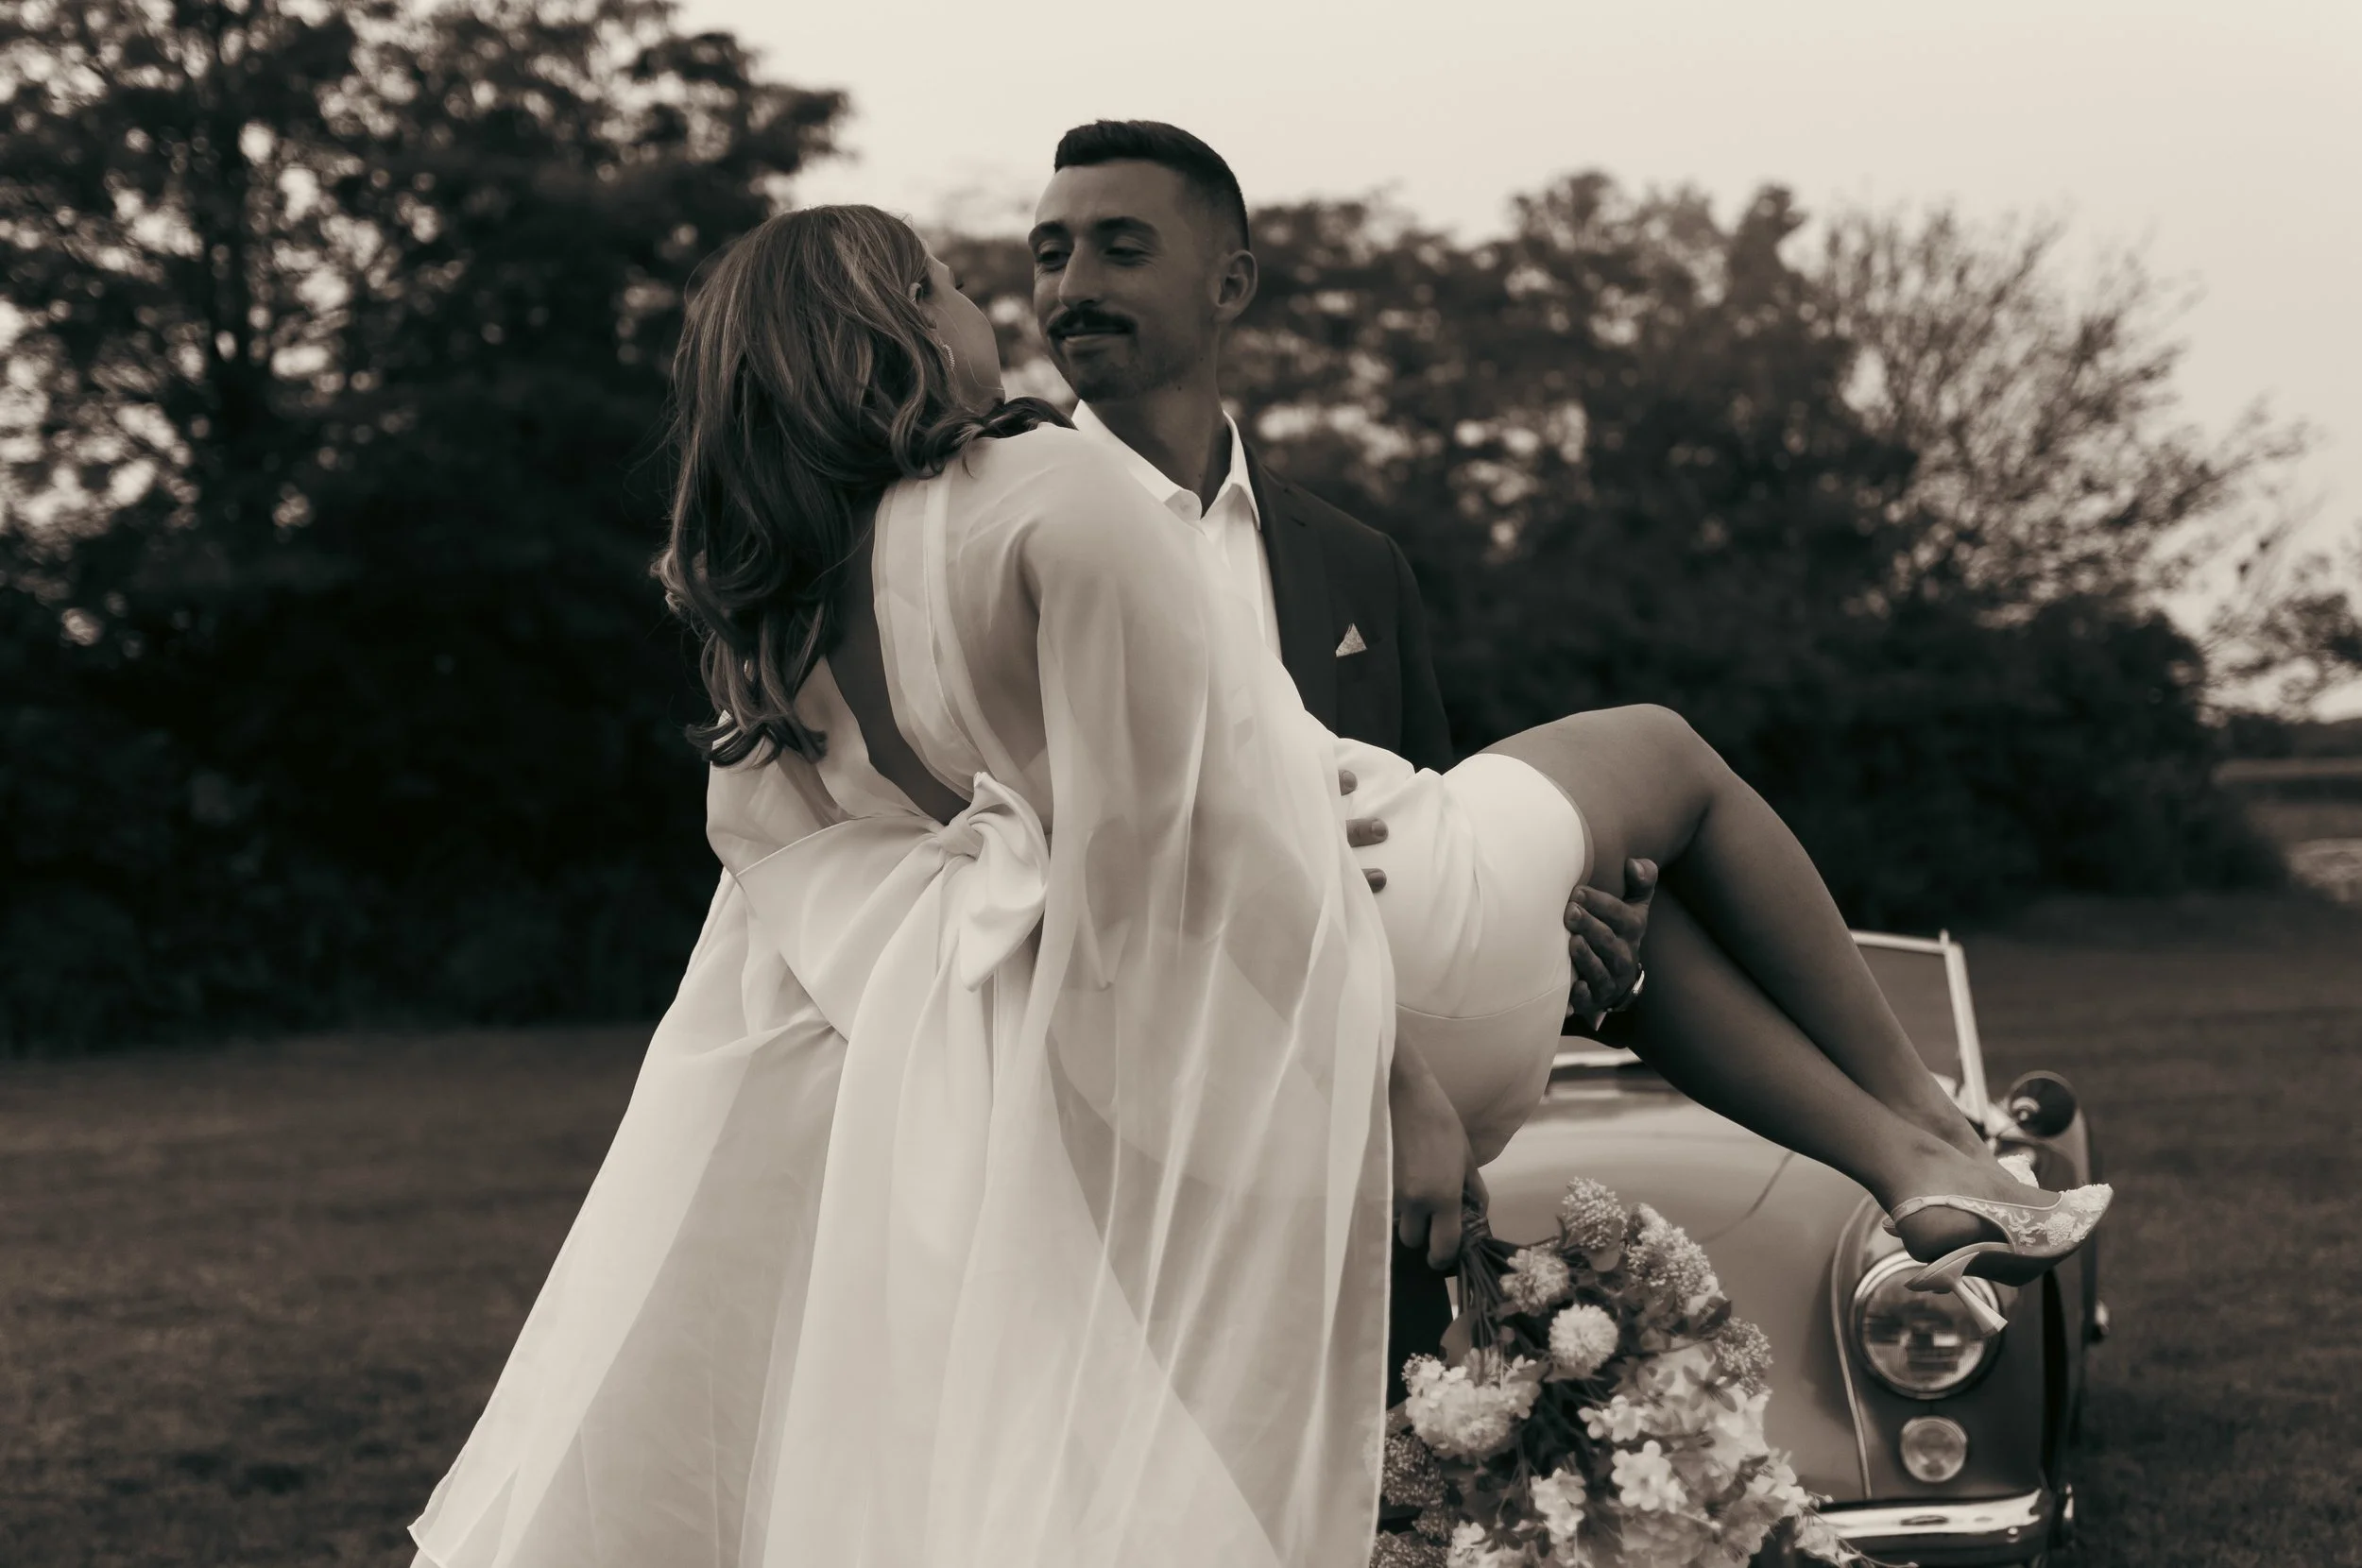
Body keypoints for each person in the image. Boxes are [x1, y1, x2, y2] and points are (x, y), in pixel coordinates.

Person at [409, 206, 2107, 1568]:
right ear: (894, 324)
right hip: (1362, 969)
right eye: (950, 279)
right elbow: (1207, 834)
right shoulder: (1037, 490)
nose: (991, 302)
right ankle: (1929, 1136)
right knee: (1661, 751)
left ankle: (1909, 1163)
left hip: (1173, 1074)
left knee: (1631, 903)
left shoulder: (783, 637)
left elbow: (844, 913)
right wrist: (1396, 1091)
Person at [1025, 119, 1659, 1410]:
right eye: (1049, 253)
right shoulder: (1005, 526)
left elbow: (1428, 869)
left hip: (1364, 1190)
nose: (1069, 285)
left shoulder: (1359, 564)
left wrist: (1577, 965)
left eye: (1118, 248)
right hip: (1108, 1191)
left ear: (1231, 283)